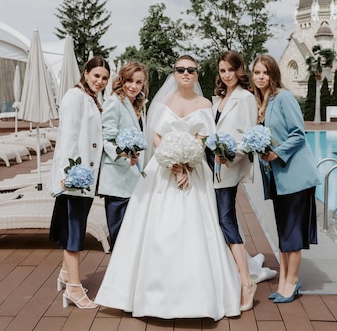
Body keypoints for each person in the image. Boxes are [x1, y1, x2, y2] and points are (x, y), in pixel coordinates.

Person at [95, 55, 241, 320]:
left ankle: (198, 297)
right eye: (180, 69)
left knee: (195, 230)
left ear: (197, 74)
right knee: (155, 232)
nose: (186, 73)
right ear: (173, 73)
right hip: (161, 173)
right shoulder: (160, 104)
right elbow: (156, 137)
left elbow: (202, 139)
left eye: (191, 70)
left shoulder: (205, 103)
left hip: (194, 173)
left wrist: (187, 164)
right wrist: (173, 162)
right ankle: (147, 294)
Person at [251, 54, 320, 304]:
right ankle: (284, 280)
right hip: (277, 180)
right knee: (283, 234)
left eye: (265, 73)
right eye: (257, 72)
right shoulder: (262, 102)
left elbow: (298, 134)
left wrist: (276, 153)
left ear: (273, 75)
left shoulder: (284, 98)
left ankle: (292, 282)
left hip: (295, 177)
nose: (261, 77)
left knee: (292, 235)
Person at [48, 56, 110, 309]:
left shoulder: (93, 99)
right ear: (85, 73)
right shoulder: (74, 97)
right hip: (74, 175)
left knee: (78, 225)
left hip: (86, 177)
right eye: (96, 75)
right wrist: (67, 174)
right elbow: (68, 136)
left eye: (104, 78)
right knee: (73, 230)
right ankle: (74, 288)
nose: (100, 81)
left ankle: (66, 274)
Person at [211, 50, 258, 311]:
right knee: (217, 219)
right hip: (209, 168)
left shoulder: (246, 98)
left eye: (230, 70)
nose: (226, 75)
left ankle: (246, 281)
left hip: (227, 168)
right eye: (222, 71)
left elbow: (249, 138)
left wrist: (229, 156)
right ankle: (228, 275)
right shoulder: (217, 98)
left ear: (239, 70)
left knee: (226, 220)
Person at [98, 61, 148, 250]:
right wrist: (124, 154)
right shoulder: (113, 102)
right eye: (129, 81)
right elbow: (107, 138)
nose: (133, 86)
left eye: (138, 82)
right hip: (117, 181)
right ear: (122, 80)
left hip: (134, 180)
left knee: (132, 233)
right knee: (119, 233)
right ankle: (116, 276)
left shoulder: (139, 106)